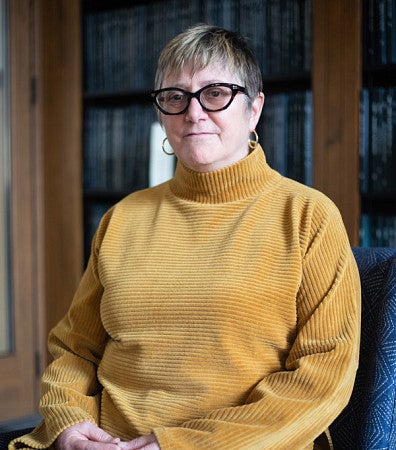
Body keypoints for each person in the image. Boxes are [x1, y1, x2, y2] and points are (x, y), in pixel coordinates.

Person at [11, 24, 361, 450]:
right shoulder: (121, 219)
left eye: (215, 93)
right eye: (175, 97)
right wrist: (69, 422)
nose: (193, 113)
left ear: (254, 109)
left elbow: (324, 376)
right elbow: (75, 349)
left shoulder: (309, 216)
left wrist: (176, 445)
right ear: (161, 113)